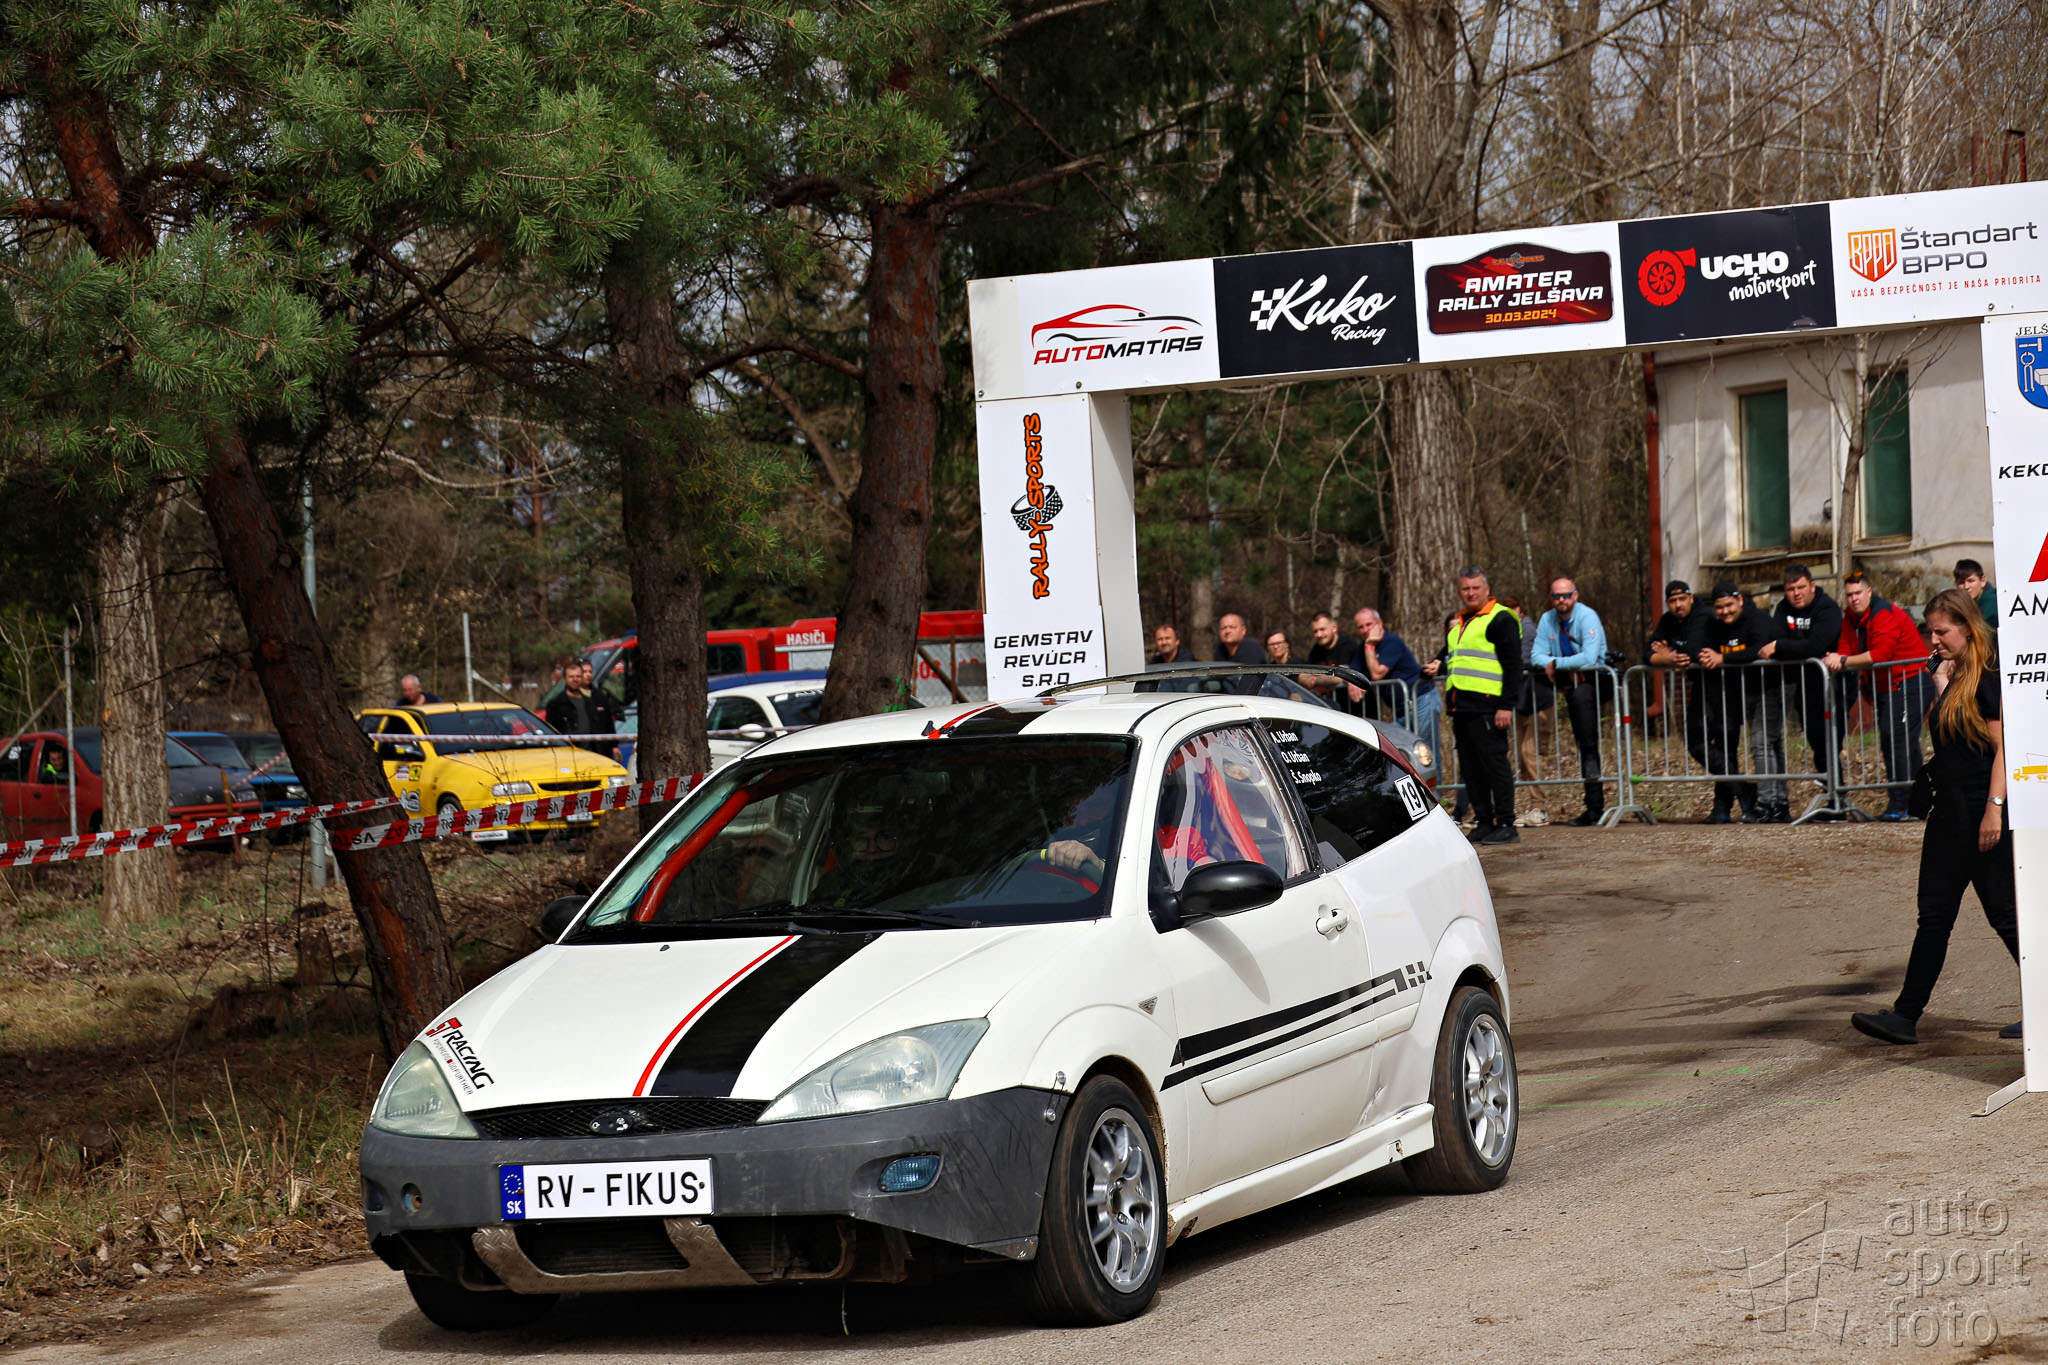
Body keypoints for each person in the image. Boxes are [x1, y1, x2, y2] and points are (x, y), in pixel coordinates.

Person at [1851, 589, 2020, 1045]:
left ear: (1967, 626)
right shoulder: (1956, 672)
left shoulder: (1988, 674)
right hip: (1948, 811)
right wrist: (1941, 679)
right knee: (1934, 916)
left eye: (1942, 631)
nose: (1934, 639)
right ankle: (1905, 1016)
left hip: (1979, 810)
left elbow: (2002, 748)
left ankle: (2042, 1006)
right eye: (1930, 631)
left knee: (2005, 915)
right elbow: (1953, 729)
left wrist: (1994, 810)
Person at [1425, 567, 1523, 845]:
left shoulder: (1501, 618)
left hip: (1489, 706)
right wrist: (1436, 665)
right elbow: (1455, 658)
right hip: (1462, 707)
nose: (1470, 593)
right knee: (1471, 768)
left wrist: (1506, 706)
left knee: (1494, 766)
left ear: (1487, 589)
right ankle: (1484, 820)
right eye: (1466, 589)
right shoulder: (1460, 622)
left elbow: (1513, 666)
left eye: (1475, 588)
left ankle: (1506, 823)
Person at [1827, 572, 1932, 820]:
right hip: (1887, 686)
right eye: (1849, 595)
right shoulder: (1851, 618)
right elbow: (1846, 646)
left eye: (1858, 593)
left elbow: (1880, 654)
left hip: (1910, 682)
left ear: (1869, 592)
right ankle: (1916, 801)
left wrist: (1843, 661)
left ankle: (1903, 803)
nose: (1854, 599)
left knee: (1899, 742)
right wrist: (1840, 658)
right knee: (1895, 741)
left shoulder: (1883, 613)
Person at [1696, 583, 1787, 823]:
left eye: (1729, 605)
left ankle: (1768, 804)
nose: (1725, 611)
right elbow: (1702, 646)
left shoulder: (1758, 619)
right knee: (1768, 744)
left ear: (1740, 601)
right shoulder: (1716, 626)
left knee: (1762, 743)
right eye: (1719, 607)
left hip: (1769, 687)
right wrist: (1704, 655)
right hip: (1742, 691)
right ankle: (1777, 803)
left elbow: (1759, 649)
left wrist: (1723, 658)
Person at [1531, 577, 1611, 826]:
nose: (1561, 600)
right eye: (1556, 596)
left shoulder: (1587, 617)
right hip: (1569, 686)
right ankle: (1593, 805)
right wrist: (1552, 663)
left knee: (1588, 741)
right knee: (1583, 740)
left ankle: (1595, 806)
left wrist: (1556, 663)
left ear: (1575, 595)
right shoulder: (1547, 619)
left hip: (1593, 682)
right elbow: (1536, 655)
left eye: (1566, 595)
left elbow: (1589, 657)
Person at [1763, 565, 1843, 787]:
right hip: (1804, 684)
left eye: (1801, 587)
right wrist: (1790, 646)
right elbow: (1774, 637)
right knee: (1817, 740)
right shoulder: (1783, 608)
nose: (1796, 593)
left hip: (1834, 684)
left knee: (1830, 741)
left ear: (1812, 586)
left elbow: (1816, 645)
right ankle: (1832, 793)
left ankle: (1837, 794)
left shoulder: (1827, 608)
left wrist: (1781, 646)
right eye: (1791, 589)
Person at [1647, 580, 1709, 769]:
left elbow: (1691, 652)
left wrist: (1669, 653)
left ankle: (1731, 785)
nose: (1678, 605)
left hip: (1718, 683)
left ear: (1691, 598)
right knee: (1694, 742)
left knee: (1723, 739)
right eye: (1673, 601)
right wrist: (1666, 659)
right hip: (1699, 685)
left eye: (1682, 599)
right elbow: (1647, 653)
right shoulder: (1668, 620)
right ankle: (1736, 783)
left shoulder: (1703, 615)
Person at [1349, 607, 1423, 727]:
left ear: (1379, 623)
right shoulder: (1362, 647)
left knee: (1424, 740)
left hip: (1420, 701)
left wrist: (1369, 645)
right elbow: (1353, 669)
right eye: (1360, 627)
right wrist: (1352, 682)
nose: (1365, 630)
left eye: (1369, 624)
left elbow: (1377, 674)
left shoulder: (1391, 641)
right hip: (1401, 709)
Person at [545, 660, 621, 757]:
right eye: (571, 677)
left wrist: (613, 746)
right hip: (570, 756)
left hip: (596, 755)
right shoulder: (555, 705)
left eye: (578, 676)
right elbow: (552, 734)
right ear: (564, 679)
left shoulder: (592, 701)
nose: (575, 679)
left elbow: (607, 724)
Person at [1301, 611, 1364, 708]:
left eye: (1322, 629)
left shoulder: (1347, 645)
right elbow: (1303, 676)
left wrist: (1314, 680)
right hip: (1331, 706)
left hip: (1356, 706)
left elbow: (1341, 675)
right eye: (1315, 631)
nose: (1319, 634)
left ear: (1334, 628)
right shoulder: (1315, 650)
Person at [1213, 612, 1266, 694]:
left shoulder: (1251, 647)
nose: (1227, 631)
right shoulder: (1220, 649)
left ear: (1243, 630)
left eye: (1232, 627)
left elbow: (1248, 682)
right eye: (1223, 628)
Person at [1954, 559, 1998, 630]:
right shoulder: (1958, 607)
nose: (1966, 587)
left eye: (1971, 581)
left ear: (1983, 581)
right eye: (1961, 582)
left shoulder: (1994, 603)